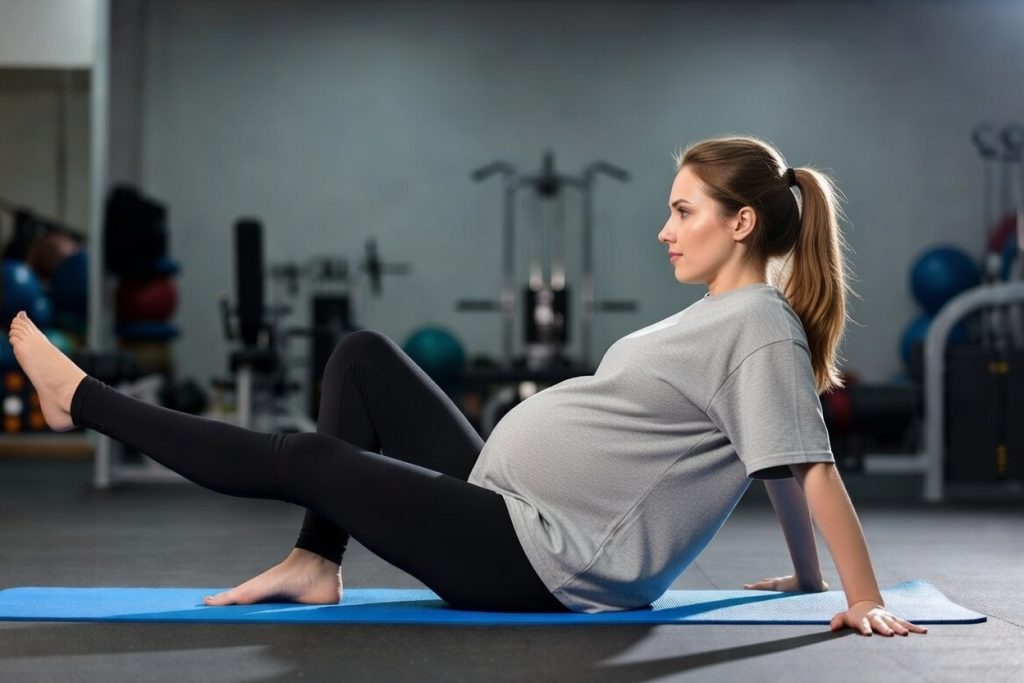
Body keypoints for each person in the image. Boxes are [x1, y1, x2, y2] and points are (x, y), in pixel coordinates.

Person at [7, 135, 926, 637]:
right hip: (512, 506)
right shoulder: (728, 320)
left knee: (311, 457)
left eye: (682, 211)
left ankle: (79, 399)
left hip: (547, 564)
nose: (665, 230)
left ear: (744, 220)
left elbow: (806, 464)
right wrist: (802, 577)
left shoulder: (759, 324)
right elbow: (774, 460)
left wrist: (856, 593)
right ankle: (316, 561)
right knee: (362, 354)